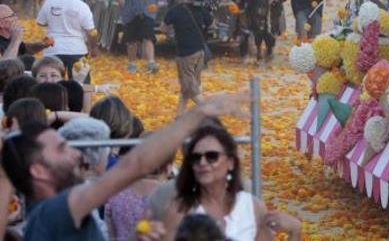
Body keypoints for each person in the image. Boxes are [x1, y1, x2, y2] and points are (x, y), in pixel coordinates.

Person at [1, 91, 249, 240]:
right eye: (62, 149)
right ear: (38, 171)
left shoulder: (39, 216)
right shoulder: (56, 210)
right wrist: (199, 113)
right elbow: (135, 164)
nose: (76, 155)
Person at [161, 123, 301, 240]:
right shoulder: (179, 211)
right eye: (196, 157)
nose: (202, 162)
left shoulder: (252, 207)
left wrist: (295, 232)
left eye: (211, 156)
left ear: (231, 163)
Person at [161, 0, 211, 116]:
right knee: (188, 86)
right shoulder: (199, 7)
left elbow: (163, 28)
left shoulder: (174, 11)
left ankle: (209, 111)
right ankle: (179, 115)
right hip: (200, 51)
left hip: (185, 54)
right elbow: (210, 22)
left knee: (190, 88)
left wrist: (171, 34)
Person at [37, 0, 96, 77]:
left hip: (52, 49)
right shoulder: (82, 6)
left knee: (53, 85)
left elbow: (40, 22)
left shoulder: (50, 1)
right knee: (80, 86)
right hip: (77, 50)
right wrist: (94, 48)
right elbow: (91, 32)